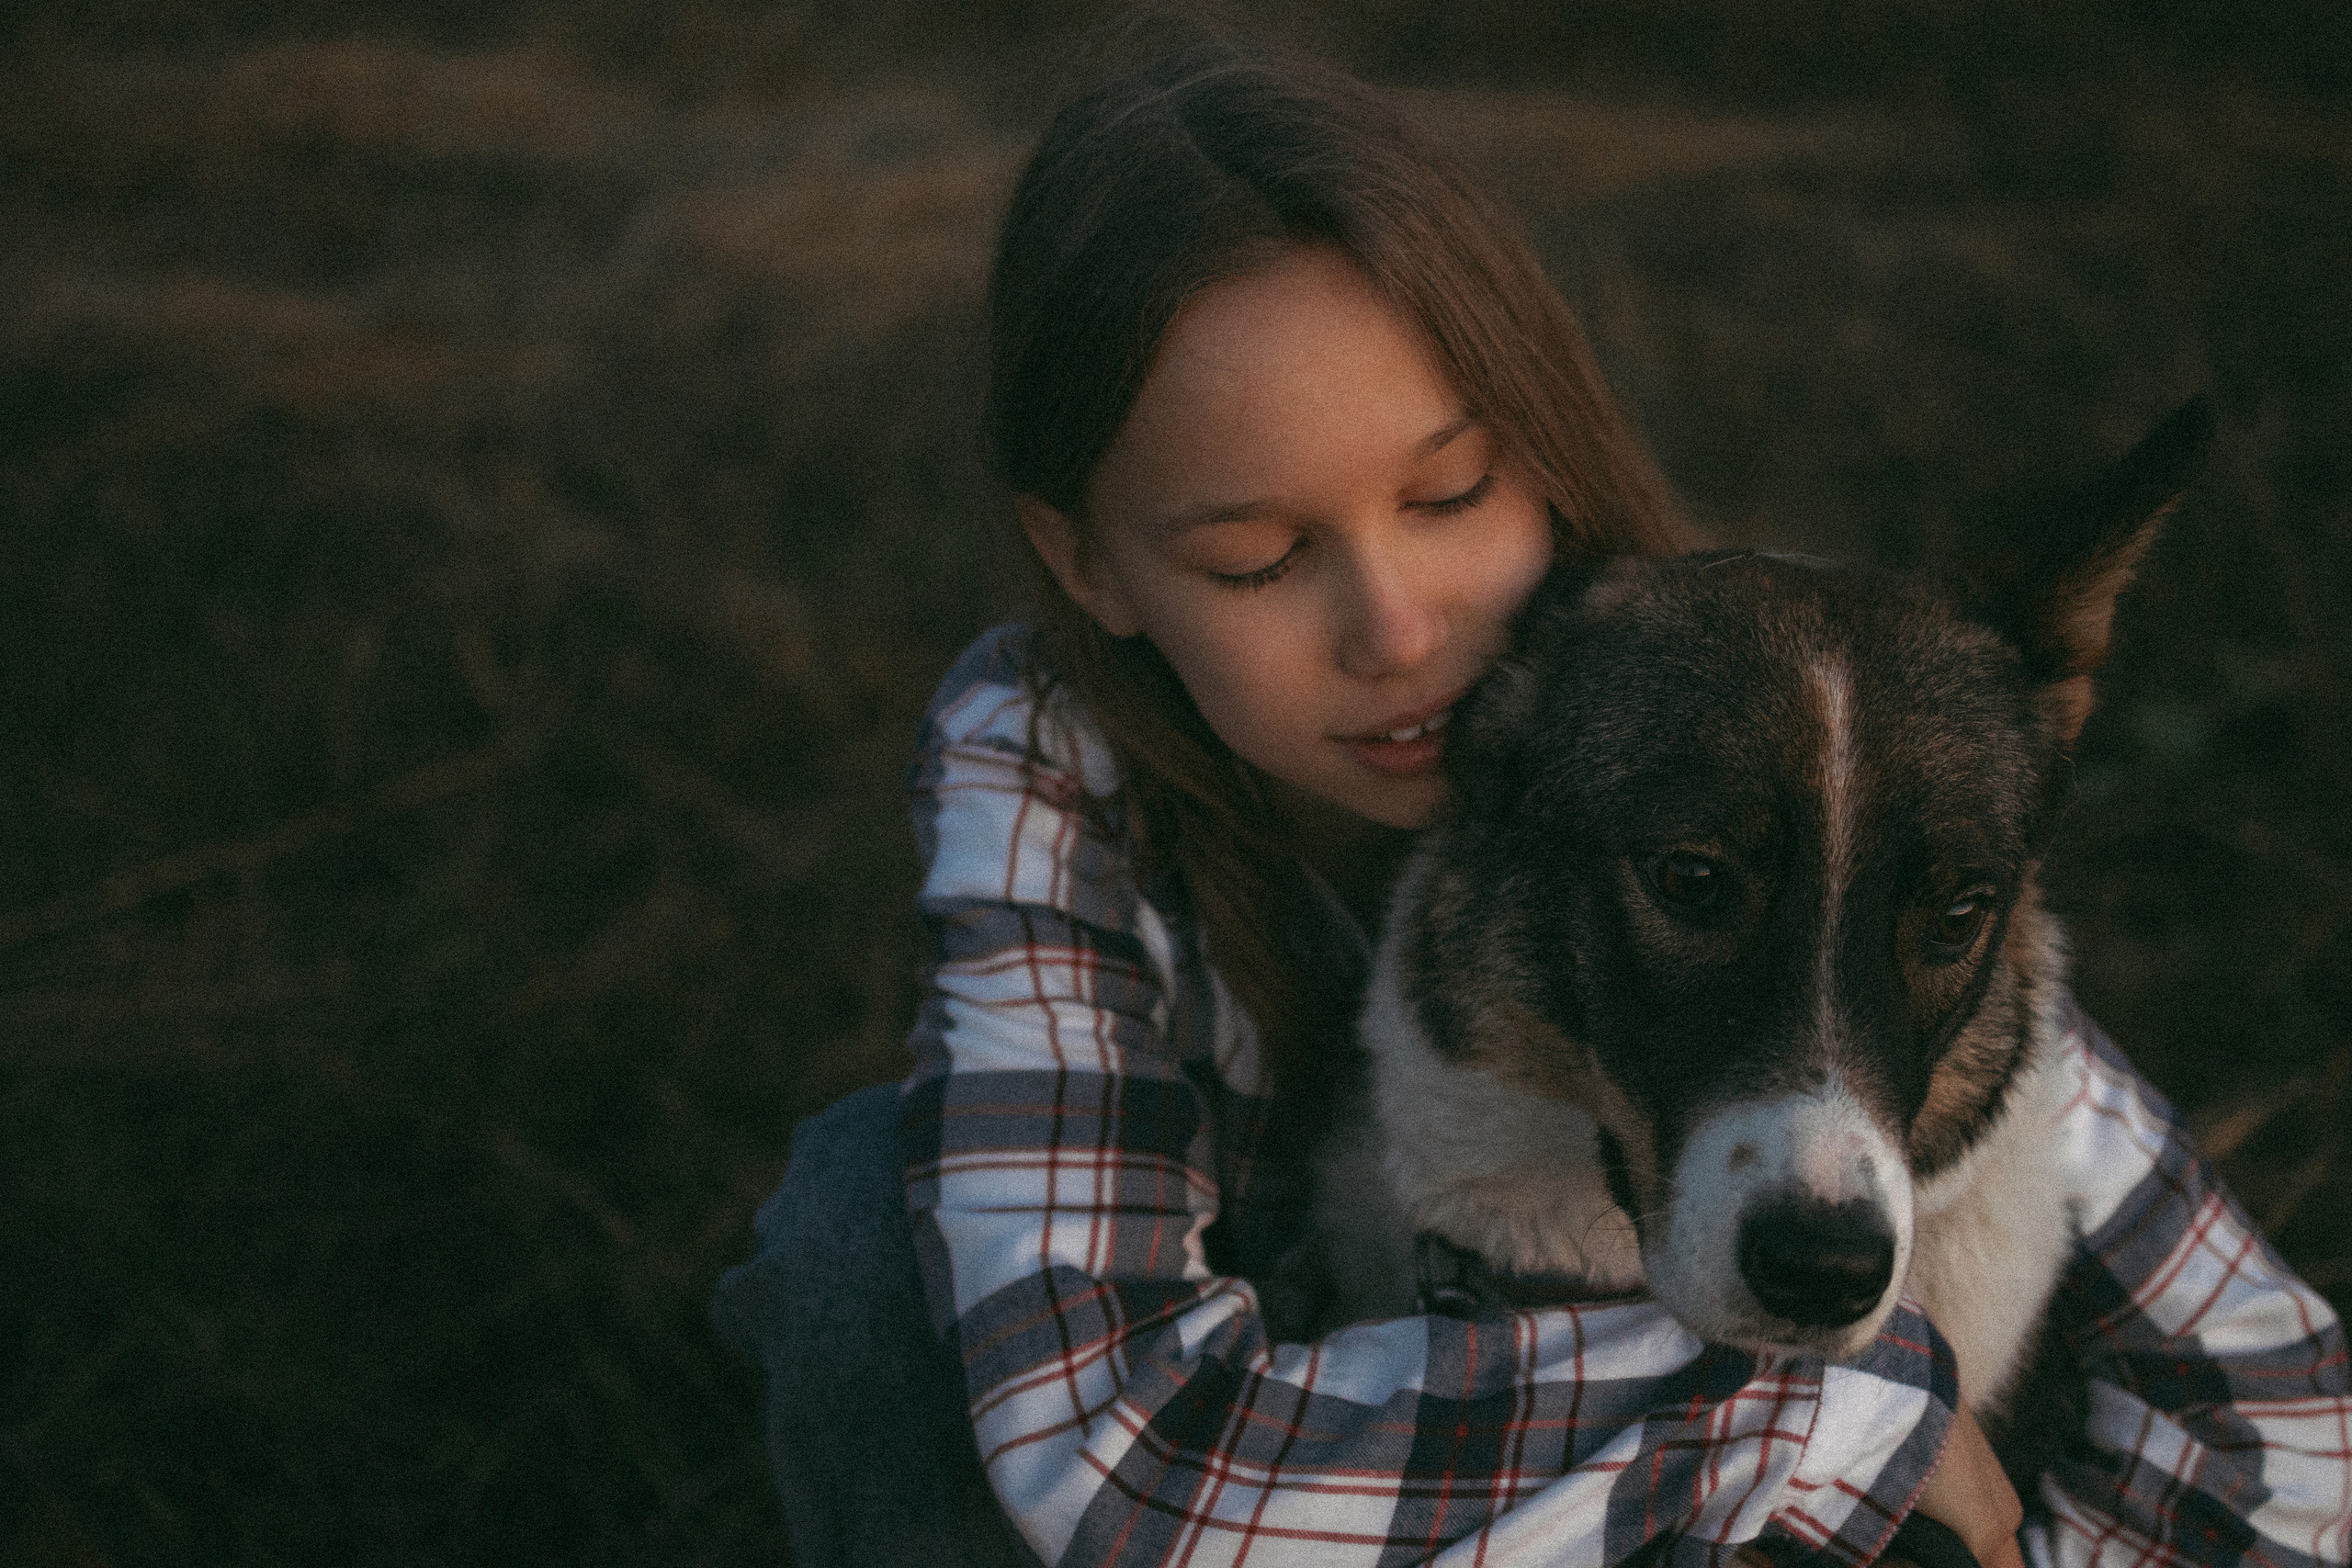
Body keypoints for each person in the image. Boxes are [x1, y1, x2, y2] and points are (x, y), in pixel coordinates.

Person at [714, 33, 2352, 1568]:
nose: (1399, 634)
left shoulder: (1705, 688)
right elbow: (1129, 1457)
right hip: (1255, 1426)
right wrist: (1810, 1420)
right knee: (866, 1229)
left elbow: (2282, 1414)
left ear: (1547, 449)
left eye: (1451, 494)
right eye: (1260, 558)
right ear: (1090, 562)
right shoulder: (1056, 763)